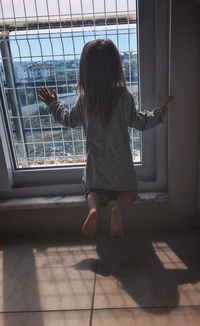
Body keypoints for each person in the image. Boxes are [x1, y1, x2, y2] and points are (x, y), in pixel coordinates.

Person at [38, 39, 173, 240]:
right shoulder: (122, 95)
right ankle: (117, 209)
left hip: (96, 170)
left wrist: (53, 104)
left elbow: (68, 120)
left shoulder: (84, 99)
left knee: (92, 193)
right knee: (129, 193)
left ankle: (93, 210)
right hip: (122, 168)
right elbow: (139, 121)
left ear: (85, 70)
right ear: (115, 67)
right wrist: (160, 113)